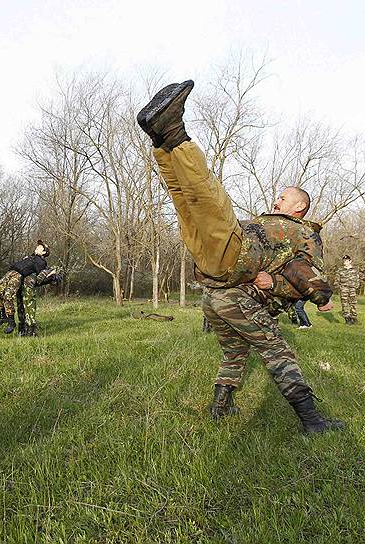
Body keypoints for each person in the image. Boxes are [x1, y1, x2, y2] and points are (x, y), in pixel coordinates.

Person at [137, 79, 344, 433]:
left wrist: (279, 284)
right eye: (278, 197)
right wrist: (273, 280)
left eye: (284, 198)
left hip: (230, 271)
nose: (277, 200)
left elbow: (309, 276)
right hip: (221, 283)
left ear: (300, 207)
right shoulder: (273, 224)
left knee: (206, 201)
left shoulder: (305, 232)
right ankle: (163, 140)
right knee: (187, 200)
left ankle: (169, 136)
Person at [0, 240, 50, 334]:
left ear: (44, 252)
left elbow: (40, 275)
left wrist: (51, 275)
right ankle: (2, 316)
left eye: (40, 247)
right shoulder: (29, 257)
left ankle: (11, 322)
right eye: (38, 246)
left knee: (8, 297)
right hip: (10, 272)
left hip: (18, 275)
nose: (37, 247)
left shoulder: (41, 262)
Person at [16, 267, 63, 337]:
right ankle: (30, 331)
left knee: (21, 307)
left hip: (21, 283)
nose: (53, 284)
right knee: (29, 308)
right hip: (27, 285)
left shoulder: (42, 272)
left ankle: (23, 330)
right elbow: (37, 281)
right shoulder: (45, 272)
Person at [335, 254, 361, 325]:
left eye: (346, 261)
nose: (345, 262)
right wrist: (340, 287)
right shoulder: (340, 270)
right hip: (344, 289)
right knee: (344, 304)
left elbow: (358, 279)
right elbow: (337, 281)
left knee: (353, 303)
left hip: (352, 289)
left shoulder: (355, 270)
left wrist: (356, 286)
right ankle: (347, 318)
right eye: (344, 261)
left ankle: (354, 318)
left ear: (350, 261)